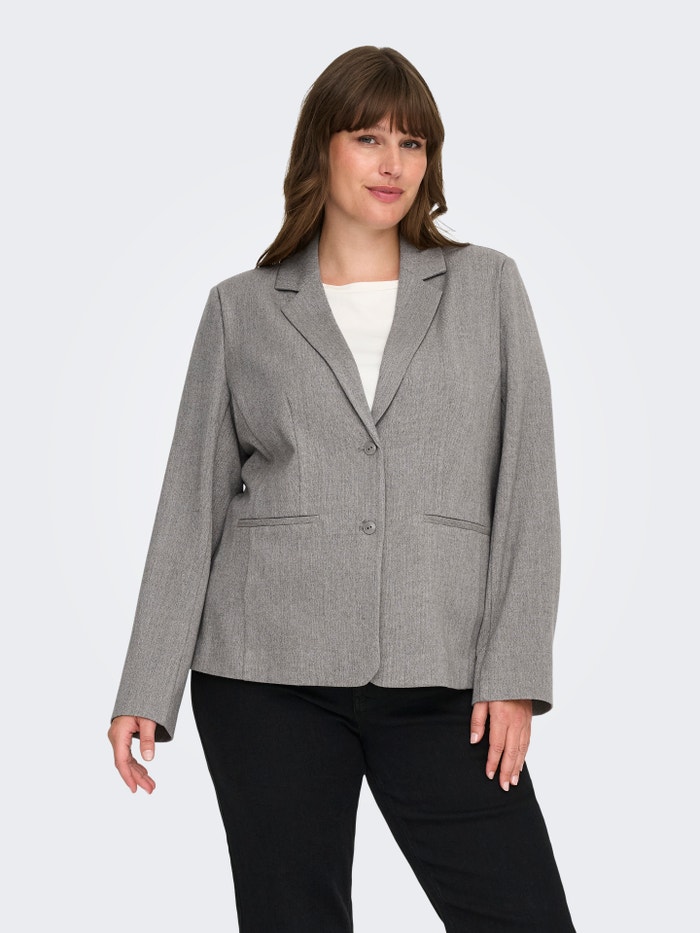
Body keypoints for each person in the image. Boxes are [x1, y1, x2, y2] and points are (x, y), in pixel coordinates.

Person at [108, 45, 577, 932]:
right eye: (368, 137)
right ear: (321, 148)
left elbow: (527, 487)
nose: (393, 162)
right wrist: (146, 686)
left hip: (444, 674)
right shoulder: (241, 307)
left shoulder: (487, 286)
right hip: (263, 675)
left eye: (412, 142)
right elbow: (190, 502)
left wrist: (514, 671)